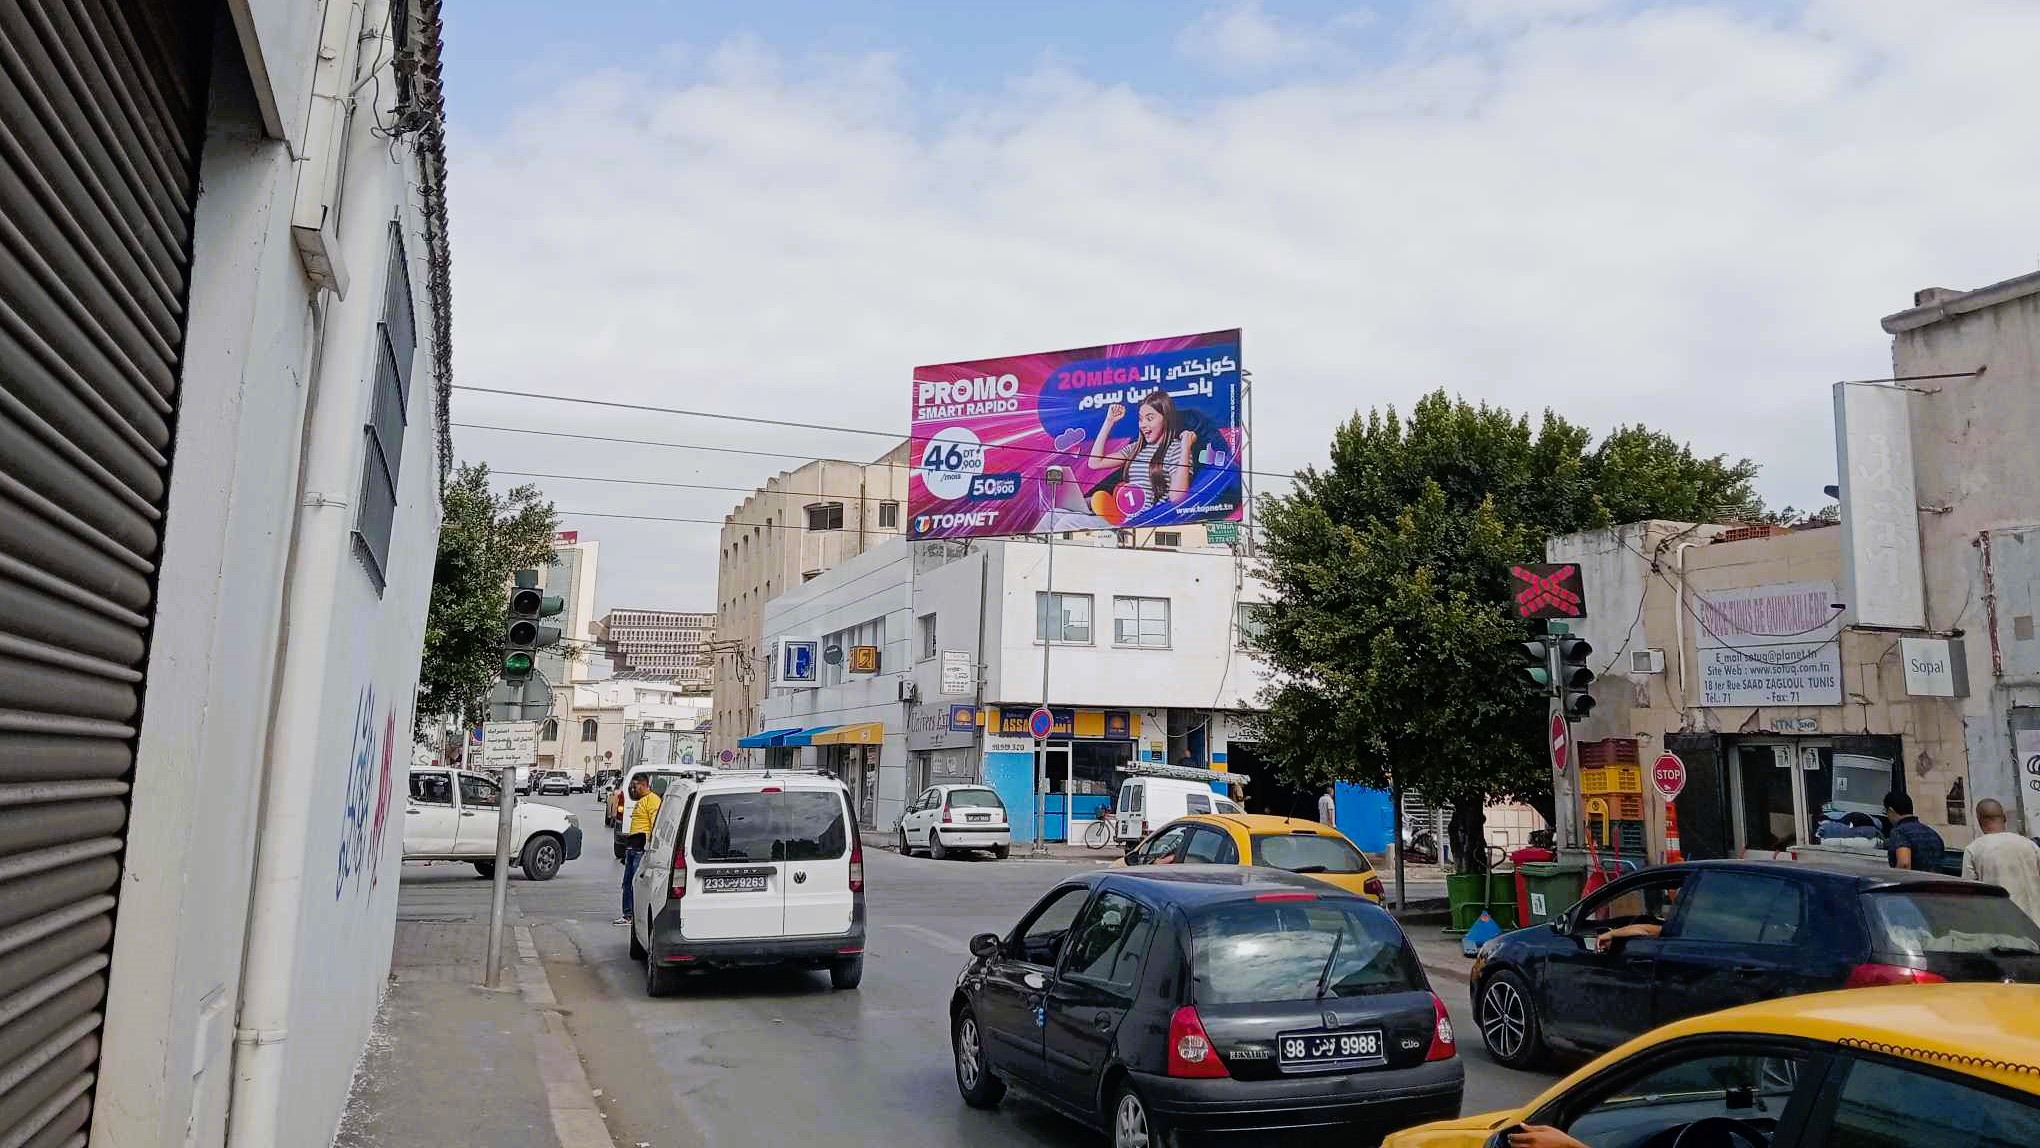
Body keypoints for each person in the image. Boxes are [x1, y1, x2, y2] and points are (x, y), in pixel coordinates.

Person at [1087, 390, 1197, 513]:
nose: (1143, 425)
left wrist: (1186, 448)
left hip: (1149, 520)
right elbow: (1095, 462)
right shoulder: (1136, 448)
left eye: (1149, 419)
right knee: (1067, 517)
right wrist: (1109, 422)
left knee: (1069, 521)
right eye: (1140, 419)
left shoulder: (1176, 449)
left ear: (1166, 419)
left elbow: (1177, 498)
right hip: (1125, 520)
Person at [1961, 798, 2040, 923]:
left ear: (1979, 820)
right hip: (2034, 927)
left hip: (2000, 927)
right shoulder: (2030, 845)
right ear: (2004, 817)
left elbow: (1968, 894)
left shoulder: (1973, 850)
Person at [613, 776, 661, 927]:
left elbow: (654, 825)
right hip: (633, 848)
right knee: (627, 883)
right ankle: (628, 915)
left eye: (636, 786)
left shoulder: (652, 800)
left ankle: (633, 915)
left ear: (644, 785)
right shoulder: (641, 801)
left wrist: (649, 847)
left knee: (634, 883)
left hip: (640, 850)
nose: (633, 789)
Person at [1884, 790, 1945, 872]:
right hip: (1933, 883)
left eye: (1886, 812)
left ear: (1891, 811)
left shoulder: (1899, 832)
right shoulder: (1933, 834)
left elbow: (1904, 864)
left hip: (1912, 883)